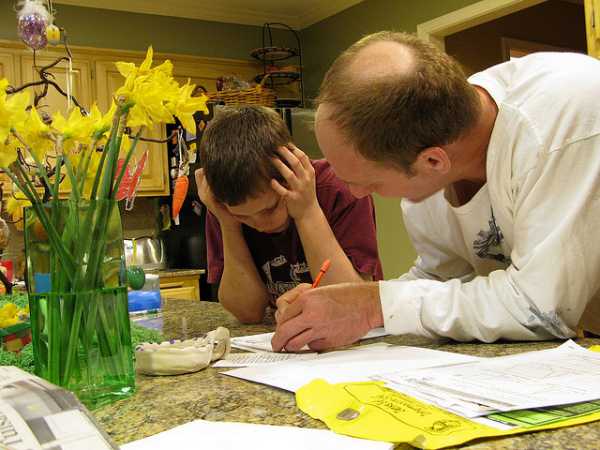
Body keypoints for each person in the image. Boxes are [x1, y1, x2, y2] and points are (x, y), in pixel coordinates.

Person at [272, 30, 600, 352]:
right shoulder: (429, 151)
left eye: (370, 183)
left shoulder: (562, 121)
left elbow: (540, 308)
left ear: (432, 161)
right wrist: (349, 303)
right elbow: (439, 280)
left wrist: (373, 305)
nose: (357, 195)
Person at [196, 105, 383, 323]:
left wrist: (307, 210)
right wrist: (229, 224)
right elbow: (247, 312)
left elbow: (351, 305)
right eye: (243, 216)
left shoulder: (339, 190)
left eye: (270, 209)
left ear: (291, 170)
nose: (259, 224)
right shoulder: (223, 207)